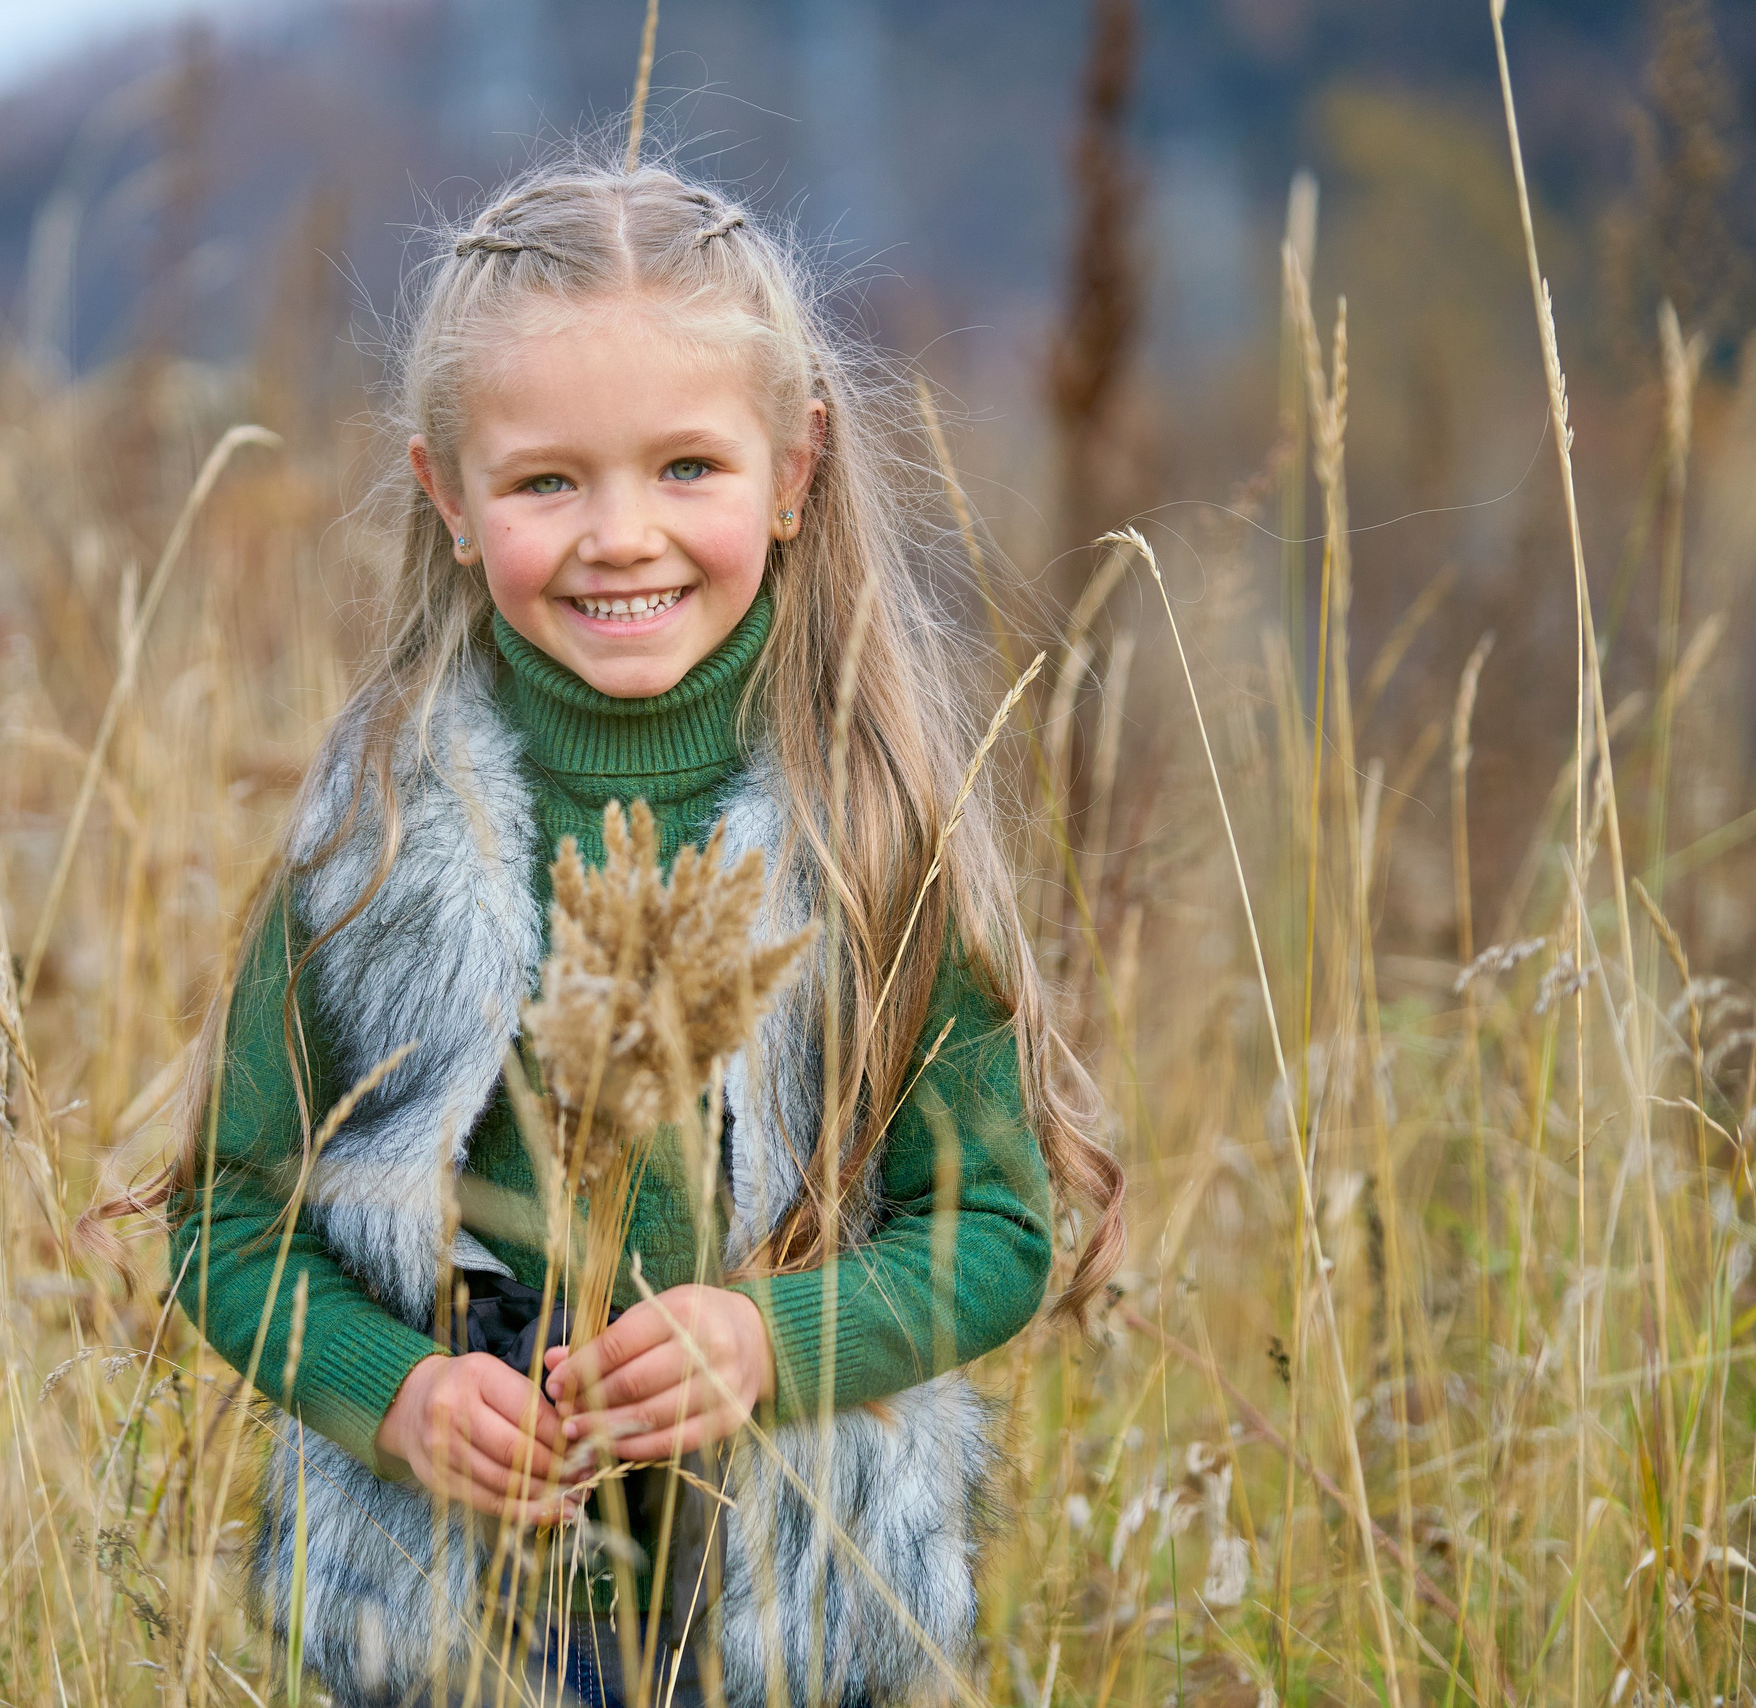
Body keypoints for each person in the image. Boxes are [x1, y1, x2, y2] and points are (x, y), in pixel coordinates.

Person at [144, 156, 1124, 1708]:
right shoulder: (377, 841)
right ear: (449, 500)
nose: (621, 536)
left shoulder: (868, 836)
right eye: (548, 481)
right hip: (449, 1619)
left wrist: (767, 1338)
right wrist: (395, 1397)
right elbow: (225, 1223)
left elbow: (995, 1235)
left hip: (797, 1613)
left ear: (794, 474)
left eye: (686, 469)